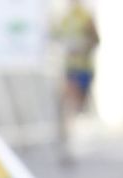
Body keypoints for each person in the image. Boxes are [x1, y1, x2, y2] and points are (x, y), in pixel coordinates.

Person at [54, 1, 98, 166]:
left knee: (78, 106)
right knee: (69, 105)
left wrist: (83, 48)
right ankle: (69, 145)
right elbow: (57, 37)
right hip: (70, 69)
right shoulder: (65, 18)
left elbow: (96, 40)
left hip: (84, 68)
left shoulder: (85, 17)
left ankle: (77, 141)